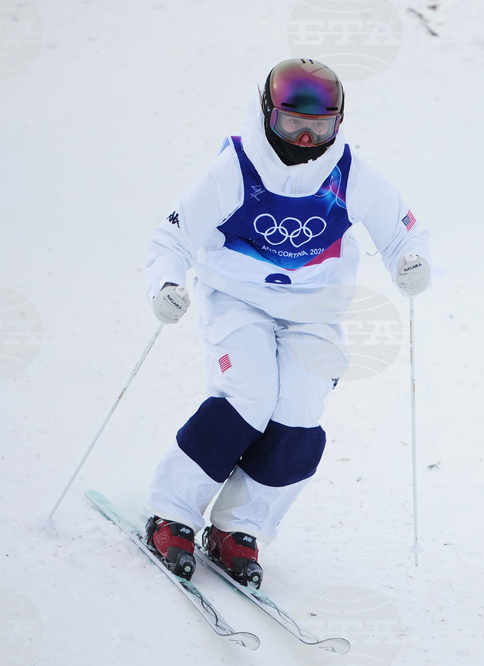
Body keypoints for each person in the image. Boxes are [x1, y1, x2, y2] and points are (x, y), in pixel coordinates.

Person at [142, 58, 432, 588]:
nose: (304, 139)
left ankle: (239, 527)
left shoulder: (351, 174)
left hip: (315, 312)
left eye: (319, 127)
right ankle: (173, 512)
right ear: (266, 115)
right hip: (238, 299)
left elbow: (404, 234)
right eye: (291, 124)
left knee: (299, 416)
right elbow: (171, 238)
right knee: (248, 396)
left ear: (338, 124)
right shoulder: (235, 168)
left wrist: (410, 265)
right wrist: (164, 284)